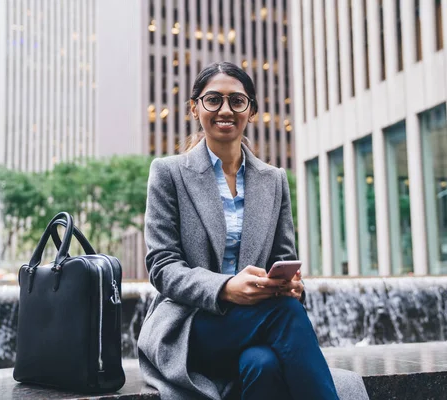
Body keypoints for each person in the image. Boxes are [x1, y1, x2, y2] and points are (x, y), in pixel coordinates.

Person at [137, 62, 369, 400]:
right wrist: (227, 288)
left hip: (258, 323)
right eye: (213, 100)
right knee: (285, 314)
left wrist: (290, 285)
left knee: (262, 364)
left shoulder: (273, 180)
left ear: (252, 110)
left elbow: (284, 258)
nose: (225, 110)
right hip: (190, 327)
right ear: (195, 107)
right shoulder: (169, 173)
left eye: (237, 101)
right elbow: (163, 267)